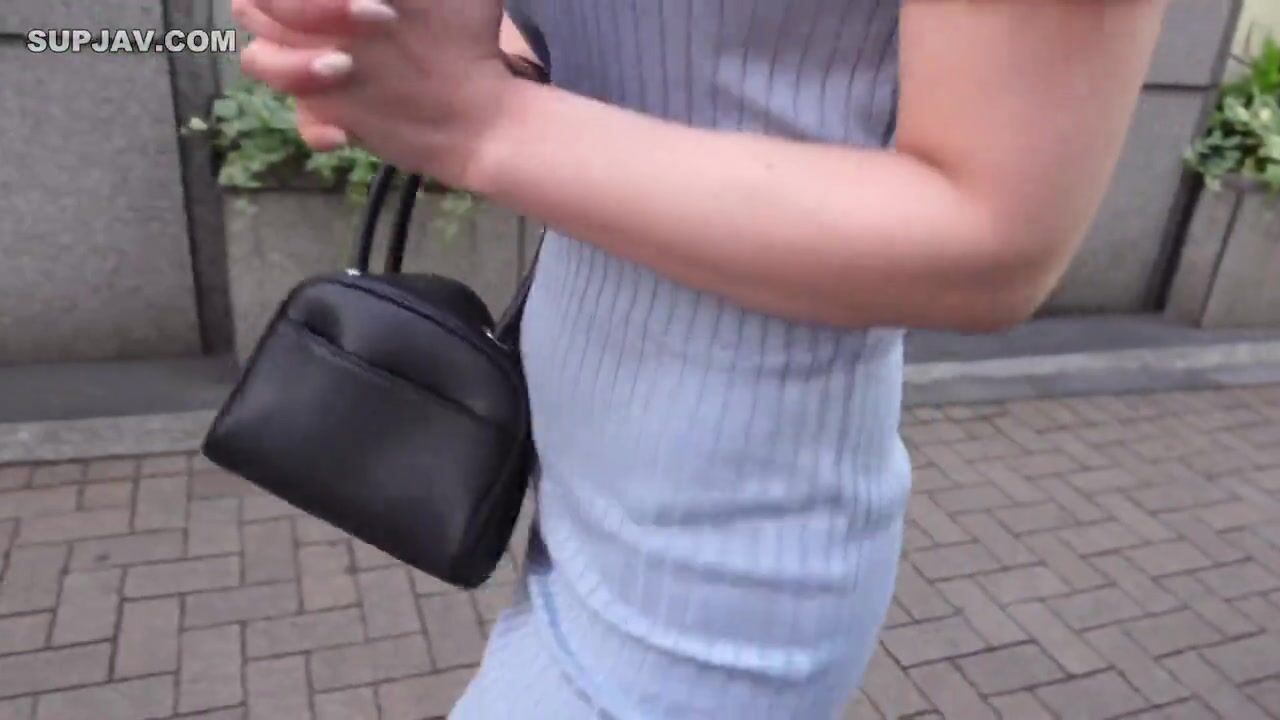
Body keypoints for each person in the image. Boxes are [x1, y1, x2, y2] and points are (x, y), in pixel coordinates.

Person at [231, 0, 1169, 716]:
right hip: (572, 486)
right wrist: (404, 43)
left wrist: (468, 118)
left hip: (720, 563)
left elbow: (992, 244)